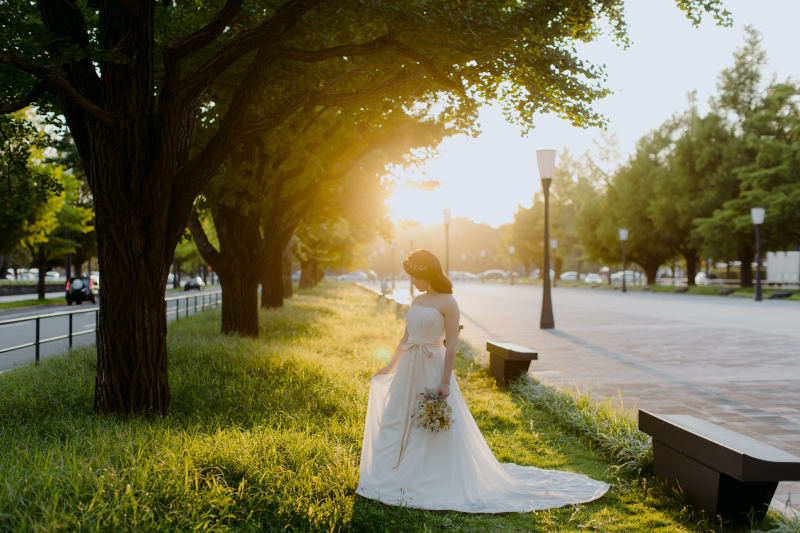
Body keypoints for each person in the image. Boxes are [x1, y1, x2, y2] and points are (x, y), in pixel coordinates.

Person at [356, 249, 608, 513]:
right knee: (399, 415)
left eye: (413, 276)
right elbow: (405, 339)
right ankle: (394, 471)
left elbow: (451, 346)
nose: (411, 282)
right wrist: (390, 366)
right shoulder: (416, 301)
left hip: (433, 365)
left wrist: (445, 382)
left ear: (424, 273)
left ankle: (428, 476)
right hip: (409, 367)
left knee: (428, 419)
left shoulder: (449, 302)